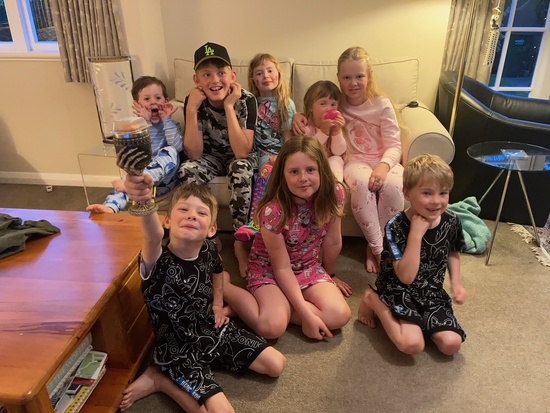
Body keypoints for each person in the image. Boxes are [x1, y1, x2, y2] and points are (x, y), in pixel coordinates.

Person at [118, 179, 286, 412]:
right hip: (178, 352)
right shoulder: (156, 260)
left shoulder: (209, 249)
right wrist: (145, 200)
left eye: (201, 213)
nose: (192, 215)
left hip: (210, 330)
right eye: (183, 209)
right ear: (167, 221)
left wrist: (217, 305)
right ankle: (160, 379)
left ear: (211, 229)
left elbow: (218, 272)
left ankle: (202, 365)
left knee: (276, 364)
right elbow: (152, 236)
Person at [223, 137, 352, 341]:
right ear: (282, 175)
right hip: (269, 269)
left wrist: (331, 274)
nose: (303, 178)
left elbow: (333, 240)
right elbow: (282, 268)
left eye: (310, 170)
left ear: (322, 170)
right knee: (271, 327)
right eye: (294, 172)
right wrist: (307, 316)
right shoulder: (273, 211)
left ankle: (265, 306)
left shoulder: (335, 194)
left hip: (308, 266)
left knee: (340, 315)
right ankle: (225, 286)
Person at [293, 46, 404, 274]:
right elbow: (316, 107)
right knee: (362, 185)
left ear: (369, 76)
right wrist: (299, 115)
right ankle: (379, 250)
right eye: (346, 78)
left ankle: (380, 246)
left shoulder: (382, 104)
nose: (353, 83)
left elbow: (394, 145)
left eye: (359, 76)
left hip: (385, 160)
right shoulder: (337, 102)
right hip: (354, 161)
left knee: (393, 187)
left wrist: (383, 167)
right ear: (339, 78)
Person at [357, 153, 467, 356]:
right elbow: (406, 277)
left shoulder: (452, 222)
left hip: (431, 292)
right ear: (407, 193)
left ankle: (422, 323)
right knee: (412, 345)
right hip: (399, 290)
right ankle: (373, 299)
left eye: (443, 193)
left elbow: (453, 252)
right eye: (427, 193)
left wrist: (456, 284)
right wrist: (415, 235)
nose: (436, 201)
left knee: (452, 344)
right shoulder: (395, 227)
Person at [178, 42, 257, 254]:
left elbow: (242, 152)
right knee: (187, 169)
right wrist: (192, 109)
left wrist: (229, 106)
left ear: (232, 76)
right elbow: (194, 154)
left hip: (238, 157)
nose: (215, 80)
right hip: (209, 157)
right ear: (196, 80)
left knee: (241, 168)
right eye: (207, 74)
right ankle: (208, 235)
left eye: (221, 73)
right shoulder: (192, 101)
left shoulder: (247, 100)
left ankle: (241, 240)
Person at [234, 53, 296, 274]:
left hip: (280, 153)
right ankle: (255, 223)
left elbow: (288, 138)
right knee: (266, 170)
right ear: (253, 79)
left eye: (270, 71)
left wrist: (282, 157)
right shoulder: (249, 103)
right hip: (259, 153)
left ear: (278, 74)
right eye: (259, 73)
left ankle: (267, 225)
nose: (266, 76)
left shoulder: (286, 104)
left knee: (273, 169)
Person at [87, 76, 183, 213]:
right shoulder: (137, 127)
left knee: (171, 151)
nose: (153, 102)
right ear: (137, 104)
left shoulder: (171, 125)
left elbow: (178, 147)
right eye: (147, 99)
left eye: (158, 98)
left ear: (166, 101)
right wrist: (145, 123)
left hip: (165, 181)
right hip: (140, 177)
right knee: (129, 176)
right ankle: (110, 207)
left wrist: (167, 120)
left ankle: (138, 181)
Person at [302, 80, 347, 183]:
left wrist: (336, 132)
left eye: (333, 104)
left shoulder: (336, 126)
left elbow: (339, 152)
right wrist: (323, 132)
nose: (329, 109)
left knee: (336, 159)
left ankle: (336, 186)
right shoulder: (305, 128)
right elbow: (307, 152)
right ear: (310, 107)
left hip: (331, 165)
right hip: (310, 165)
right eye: (323, 104)